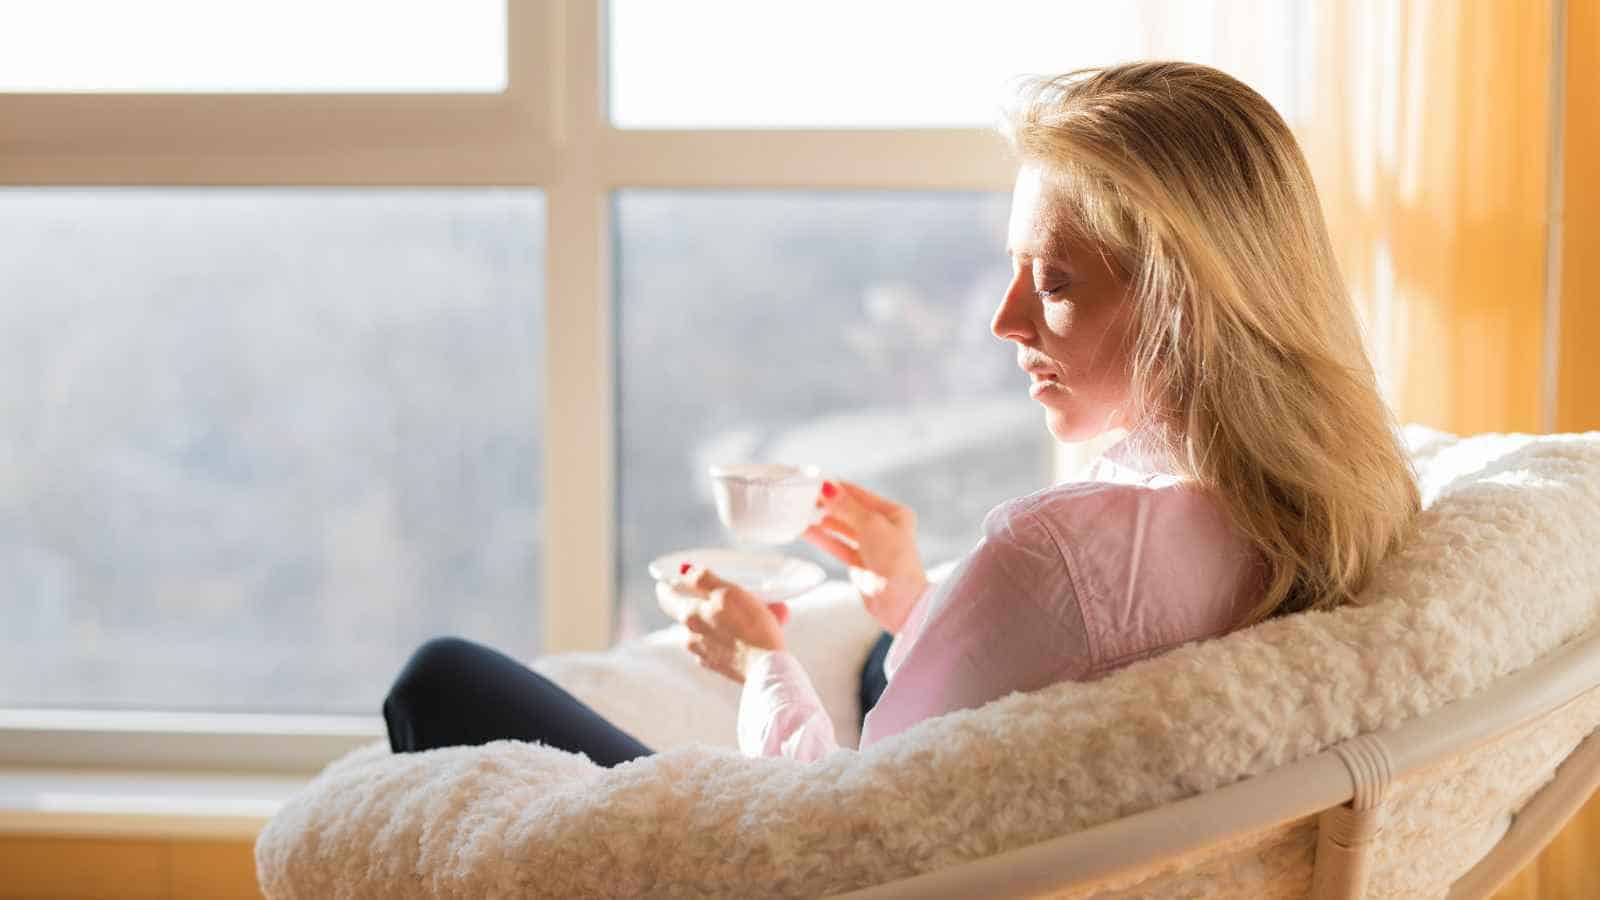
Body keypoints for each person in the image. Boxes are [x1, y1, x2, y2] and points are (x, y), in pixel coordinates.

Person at [382, 61, 1421, 766]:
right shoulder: (1326, 497)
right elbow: (1055, 668)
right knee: (887, 657)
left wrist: (760, 662)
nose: (1006, 320)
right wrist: (914, 600)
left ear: (1187, 301)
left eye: (1053, 282)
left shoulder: (1058, 549)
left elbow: (842, 825)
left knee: (441, 682)